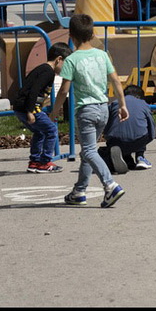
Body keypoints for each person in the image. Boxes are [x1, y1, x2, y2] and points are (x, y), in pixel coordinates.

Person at [49, 13, 128, 207]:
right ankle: (79, 191)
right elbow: (116, 80)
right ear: (92, 34)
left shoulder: (71, 60)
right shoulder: (102, 55)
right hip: (103, 109)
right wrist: (122, 104)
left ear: (71, 36)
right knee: (87, 152)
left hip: (86, 110)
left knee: (89, 151)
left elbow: (64, 90)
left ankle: (110, 185)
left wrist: (55, 111)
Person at [8, 42, 71, 173]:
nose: (66, 68)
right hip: (28, 108)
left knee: (40, 132)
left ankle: (35, 162)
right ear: (59, 59)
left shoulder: (42, 69)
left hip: (20, 108)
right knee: (51, 130)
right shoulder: (48, 72)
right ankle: (45, 162)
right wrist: (30, 111)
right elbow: (34, 91)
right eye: (66, 63)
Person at [101, 83, 156, 173]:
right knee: (141, 131)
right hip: (138, 141)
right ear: (140, 96)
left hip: (116, 141)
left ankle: (125, 157)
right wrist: (149, 138)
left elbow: (106, 124)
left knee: (119, 139)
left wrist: (109, 139)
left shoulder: (114, 103)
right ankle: (140, 157)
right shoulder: (143, 104)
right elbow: (151, 127)